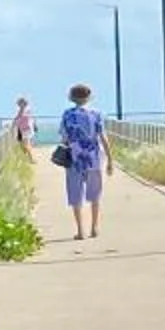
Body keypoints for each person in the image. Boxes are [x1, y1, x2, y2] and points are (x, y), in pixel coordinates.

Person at [58, 83, 109, 239]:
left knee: (75, 194)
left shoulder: (67, 114)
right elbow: (103, 137)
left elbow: (64, 137)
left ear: (72, 97)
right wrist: (110, 159)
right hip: (93, 158)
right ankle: (94, 228)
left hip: (74, 158)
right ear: (88, 97)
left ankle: (80, 231)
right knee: (95, 194)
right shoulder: (96, 114)